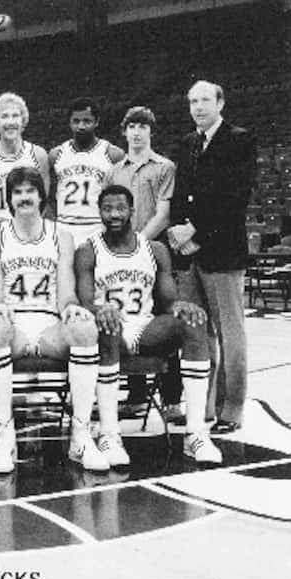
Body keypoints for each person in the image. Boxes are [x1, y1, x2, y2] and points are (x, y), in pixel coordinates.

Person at [76, 185, 221, 465]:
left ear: (132, 211)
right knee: (107, 326)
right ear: (99, 212)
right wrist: (98, 310)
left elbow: (168, 300)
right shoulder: (88, 250)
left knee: (193, 324)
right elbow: (84, 302)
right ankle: (109, 434)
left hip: (144, 327)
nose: (114, 214)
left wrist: (180, 306)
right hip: (107, 330)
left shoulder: (154, 249)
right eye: (107, 209)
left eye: (120, 208)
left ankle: (195, 434)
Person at [0, 167, 101, 472]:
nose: (24, 197)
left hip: (49, 323)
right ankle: (4, 436)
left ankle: (81, 434)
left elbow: (65, 288)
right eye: (17, 192)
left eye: (30, 191)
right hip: (14, 324)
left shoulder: (60, 234)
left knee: (85, 328)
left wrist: (72, 307)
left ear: (41, 196)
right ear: (9, 199)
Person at [168, 80, 257, 434]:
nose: (198, 106)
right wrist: (178, 231)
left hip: (222, 252)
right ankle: (202, 405)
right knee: (197, 335)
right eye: (192, 101)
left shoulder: (239, 140)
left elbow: (234, 197)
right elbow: (180, 195)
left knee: (229, 334)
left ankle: (231, 408)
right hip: (189, 256)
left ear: (220, 102)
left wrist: (197, 233)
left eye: (205, 100)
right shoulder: (188, 143)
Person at [105, 106, 180, 420]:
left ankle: (172, 399)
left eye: (143, 127)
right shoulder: (114, 170)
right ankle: (136, 395)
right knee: (129, 313)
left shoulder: (165, 167)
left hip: (154, 251)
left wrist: (139, 243)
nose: (137, 132)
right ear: (124, 131)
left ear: (151, 131)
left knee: (162, 316)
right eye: (132, 126)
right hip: (122, 255)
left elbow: (163, 214)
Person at [49, 97, 124, 248]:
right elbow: (48, 196)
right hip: (65, 225)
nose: (81, 126)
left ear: (96, 122)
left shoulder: (113, 154)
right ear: (69, 122)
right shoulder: (56, 154)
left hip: (98, 226)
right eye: (76, 121)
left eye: (86, 121)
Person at [0, 92, 50, 231]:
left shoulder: (38, 155)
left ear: (23, 120)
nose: (10, 122)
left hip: (26, 229)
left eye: (15, 116)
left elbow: (43, 200)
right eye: (5, 116)